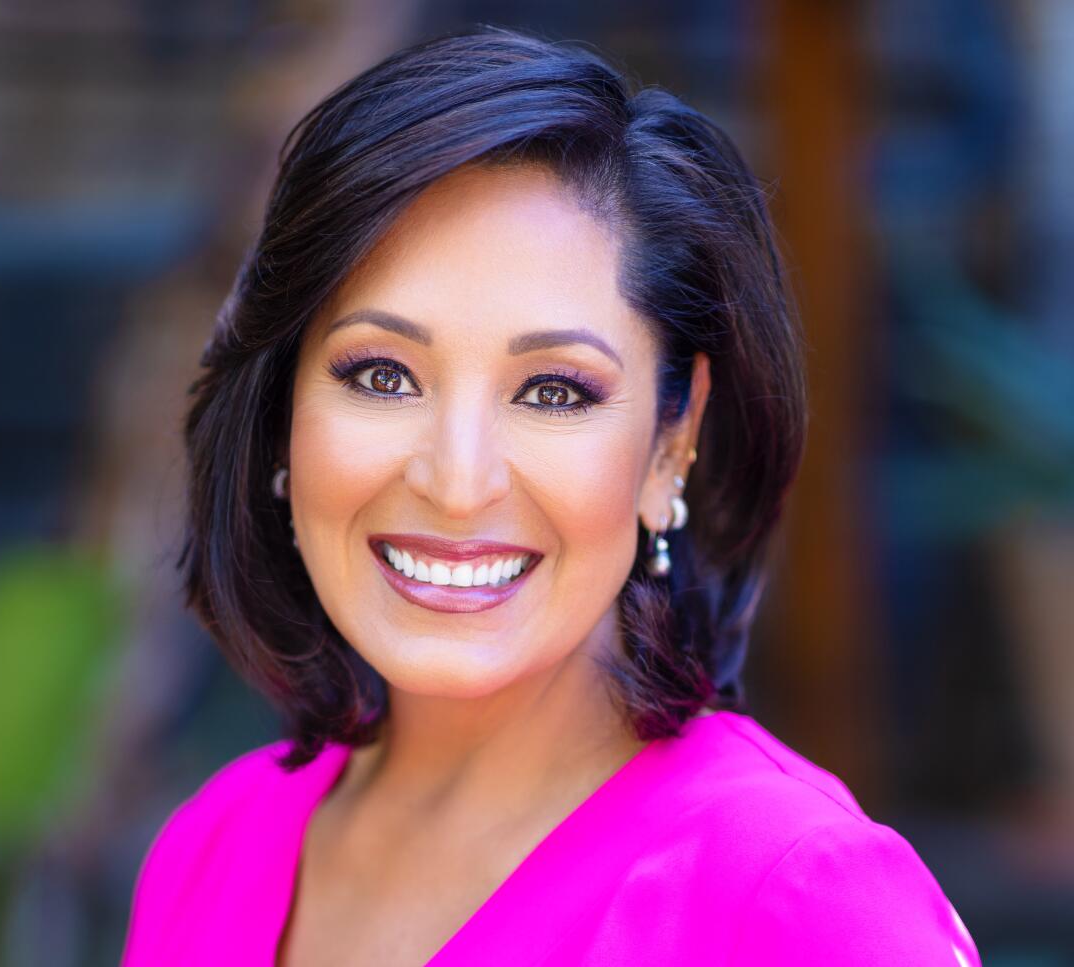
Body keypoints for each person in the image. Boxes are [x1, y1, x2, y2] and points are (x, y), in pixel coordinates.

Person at [120, 24, 981, 966]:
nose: (456, 481)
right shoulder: (216, 846)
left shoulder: (792, 894)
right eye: (380, 375)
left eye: (553, 391)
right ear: (284, 410)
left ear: (670, 441)